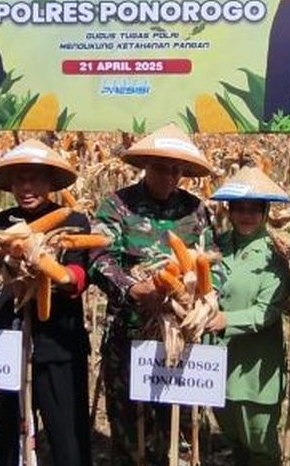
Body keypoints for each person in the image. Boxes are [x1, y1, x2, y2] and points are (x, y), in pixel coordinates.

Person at [90, 123, 215, 466]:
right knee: (131, 430)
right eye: (161, 167)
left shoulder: (196, 210)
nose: (169, 175)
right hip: (129, 334)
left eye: (177, 169)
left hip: (182, 338)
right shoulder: (117, 205)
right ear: (146, 165)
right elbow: (98, 257)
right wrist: (132, 288)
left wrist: (200, 297)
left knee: (181, 431)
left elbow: (211, 261)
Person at [0, 139, 92, 466]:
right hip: (9, 344)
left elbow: (77, 277)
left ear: (50, 183)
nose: (27, 187)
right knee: (12, 437)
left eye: (35, 179)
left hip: (58, 345)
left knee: (67, 436)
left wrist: (47, 267)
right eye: (20, 180)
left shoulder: (73, 220)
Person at [205, 166, 290, 466]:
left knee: (260, 442)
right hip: (218, 362)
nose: (246, 215)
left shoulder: (275, 253)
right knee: (233, 438)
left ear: (265, 212)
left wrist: (224, 320)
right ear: (228, 210)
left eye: (254, 209)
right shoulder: (216, 245)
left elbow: (266, 311)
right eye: (239, 208)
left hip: (256, 366)